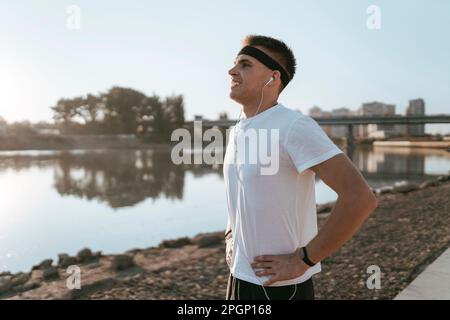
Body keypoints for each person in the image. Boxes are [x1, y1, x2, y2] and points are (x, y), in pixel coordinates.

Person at [223, 35, 378, 300]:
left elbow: (361, 198)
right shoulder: (237, 130)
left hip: (281, 289)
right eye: (235, 63)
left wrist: (303, 259)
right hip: (239, 278)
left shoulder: (293, 126)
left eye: (245, 64)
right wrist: (229, 234)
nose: (232, 71)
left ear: (273, 78)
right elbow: (239, 193)